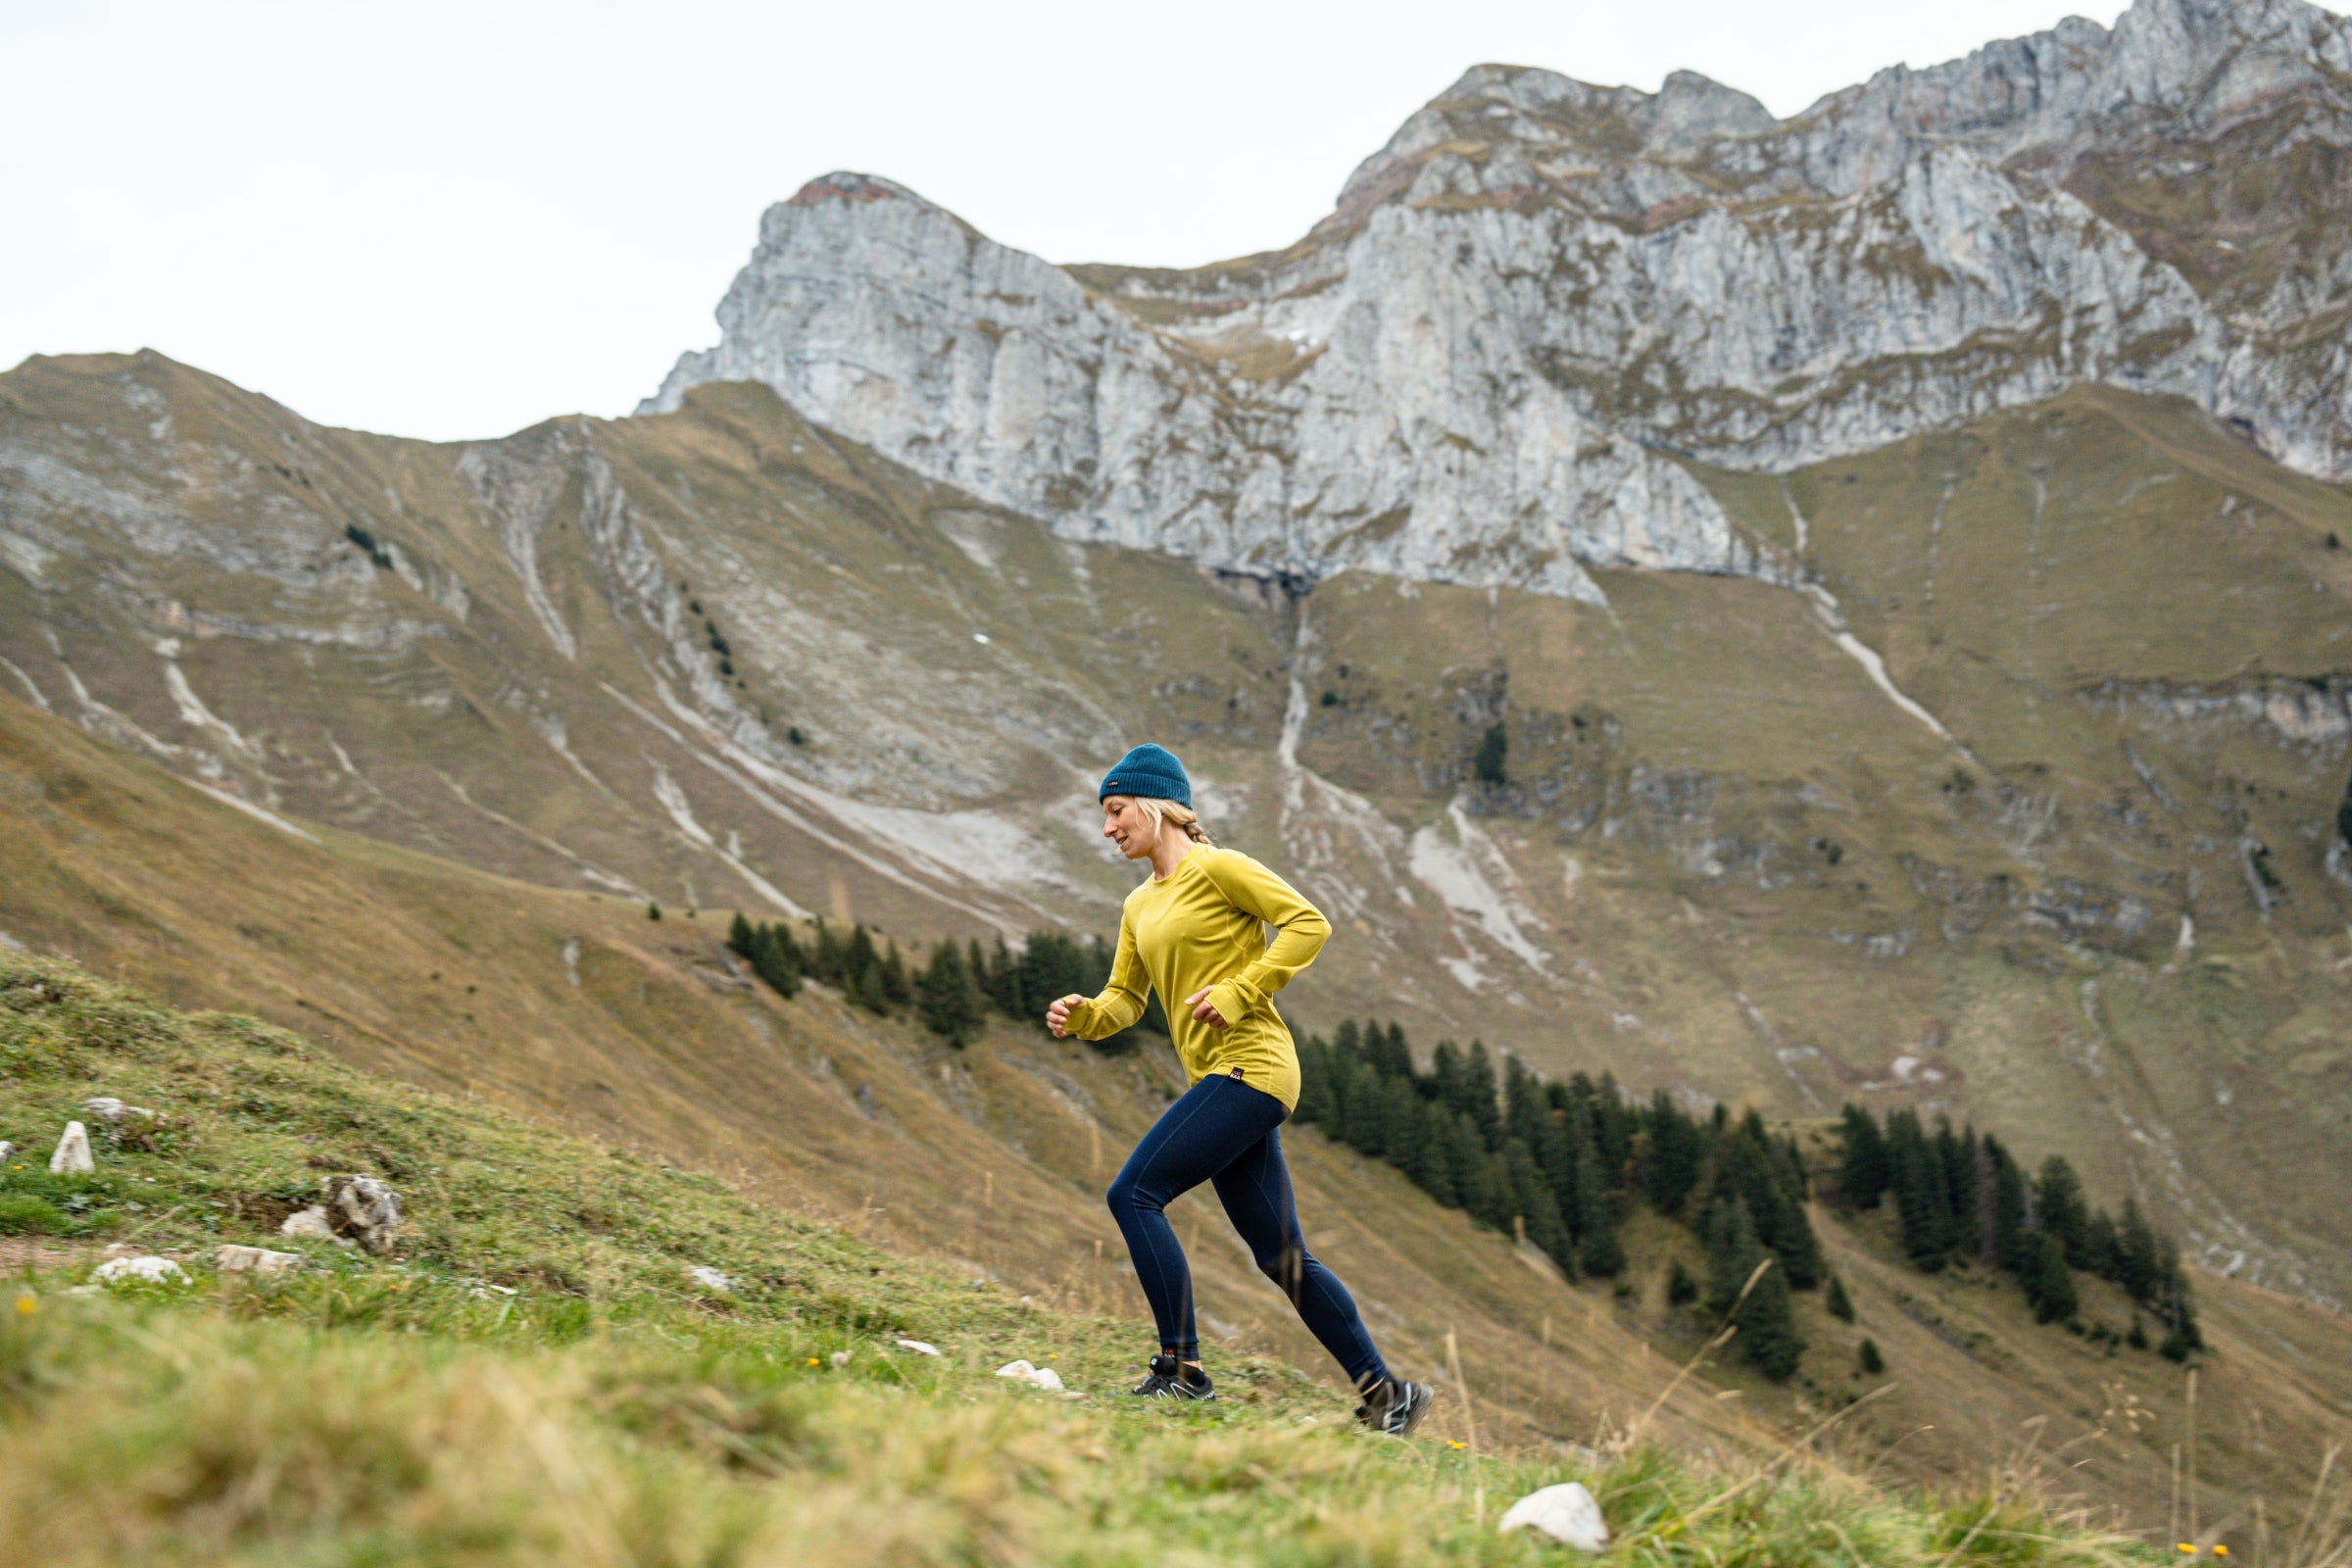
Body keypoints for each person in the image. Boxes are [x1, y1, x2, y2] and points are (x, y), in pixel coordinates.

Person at [1049, 742, 1433, 1436]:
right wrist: (1084, 1017)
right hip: (1221, 1079)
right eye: (1104, 816)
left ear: (1159, 807)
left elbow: (1308, 923)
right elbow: (1126, 1001)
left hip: (1252, 1066)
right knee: (1281, 1255)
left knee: (1132, 1194)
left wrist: (1240, 987)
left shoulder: (1218, 868)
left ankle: (1181, 1371)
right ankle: (1388, 1394)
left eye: (1116, 810)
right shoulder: (1138, 904)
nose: (1107, 828)